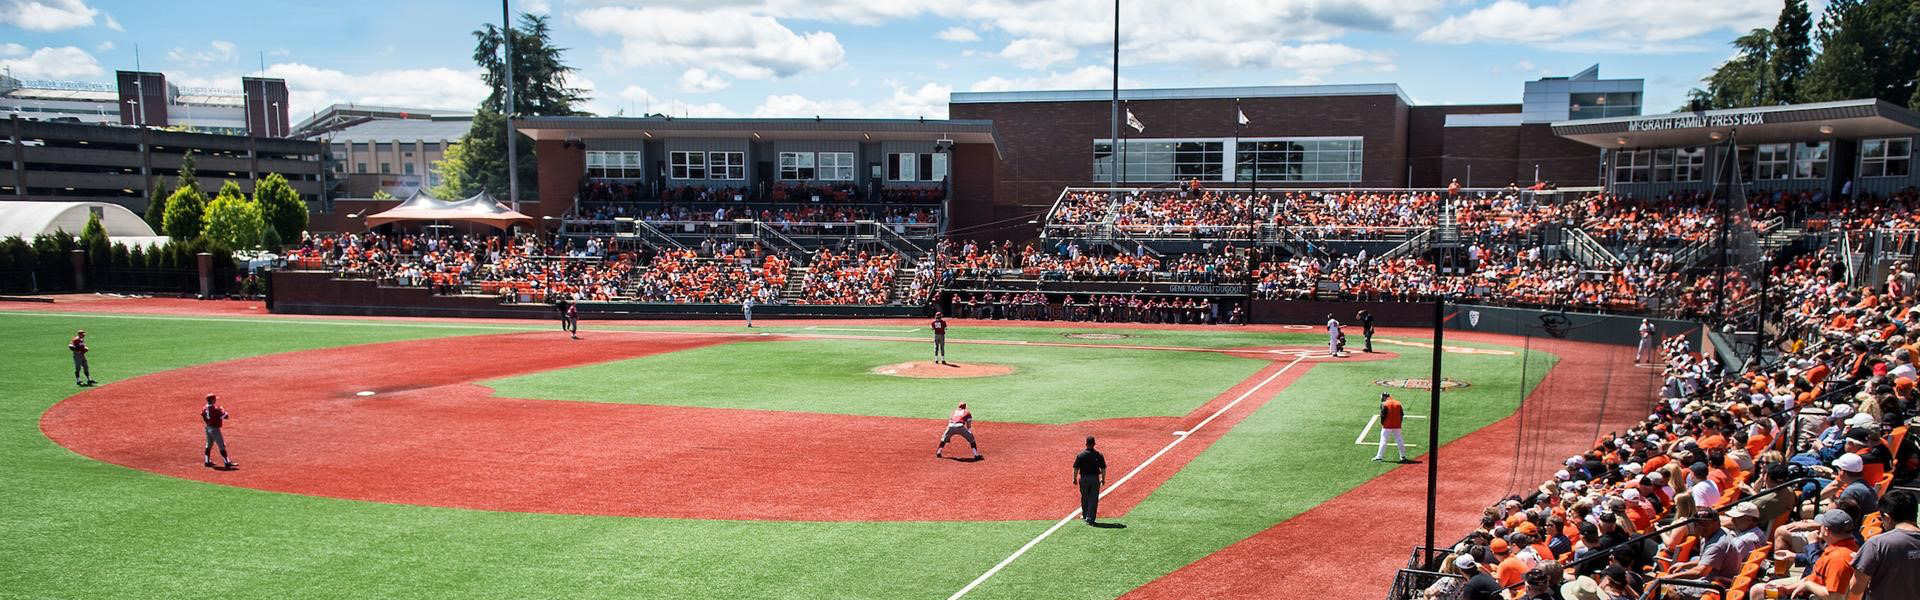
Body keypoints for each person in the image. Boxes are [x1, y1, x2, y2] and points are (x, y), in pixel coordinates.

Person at [1752, 509, 1858, 600]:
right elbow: (1815, 575)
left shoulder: (1838, 559)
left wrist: (1808, 585)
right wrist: (1787, 589)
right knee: (1758, 591)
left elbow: (1835, 597)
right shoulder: (1844, 546)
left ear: (1826, 531)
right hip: (1811, 589)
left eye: (1821, 525)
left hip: (1813, 595)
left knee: (1758, 592)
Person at [1852, 490, 1919, 600]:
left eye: (1881, 518)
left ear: (1887, 517)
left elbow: (1855, 589)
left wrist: (1862, 562)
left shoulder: (1877, 544)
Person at [1074, 435, 1106, 525]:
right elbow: (1103, 468)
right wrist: (1103, 479)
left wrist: (1074, 478)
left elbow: (1076, 468)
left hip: (1084, 479)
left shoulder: (1080, 455)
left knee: (1084, 496)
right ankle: (1090, 518)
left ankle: (1084, 515)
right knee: (1093, 498)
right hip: (1094, 479)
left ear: (1086, 444)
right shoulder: (1099, 455)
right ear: (1094, 444)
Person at [201, 394, 235, 468]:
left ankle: (207, 461)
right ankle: (227, 462)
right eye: (215, 399)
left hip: (208, 428)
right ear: (213, 400)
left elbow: (203, 416)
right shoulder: (215, 409)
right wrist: (222, 410)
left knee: (208, 445)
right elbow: (226, 416)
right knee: (221, 446)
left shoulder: (205, 408)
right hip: (215, 429)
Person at [1374, 393, 1407, 462]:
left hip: (1387, 425)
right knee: (1399, 440)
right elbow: (1402, 414)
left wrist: (1382, 423)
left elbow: (1382, 415)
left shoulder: (1384, 404)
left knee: (1383, 440)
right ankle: (1403, 456)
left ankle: (1379, 456)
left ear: (1384, 397)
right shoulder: (1398, 403)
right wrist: (1399, 423)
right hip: (1397, 425)